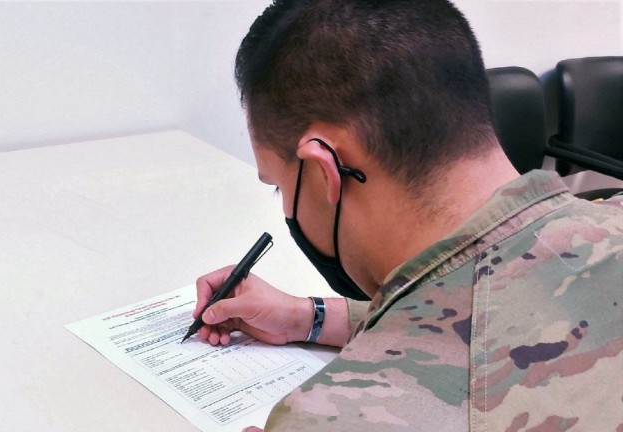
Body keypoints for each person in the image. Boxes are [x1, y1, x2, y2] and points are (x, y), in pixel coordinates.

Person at [192, 0, 623, 430]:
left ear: (325, 171)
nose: (287, 206)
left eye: (280, 187)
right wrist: (310, 317)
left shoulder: (336, 416)